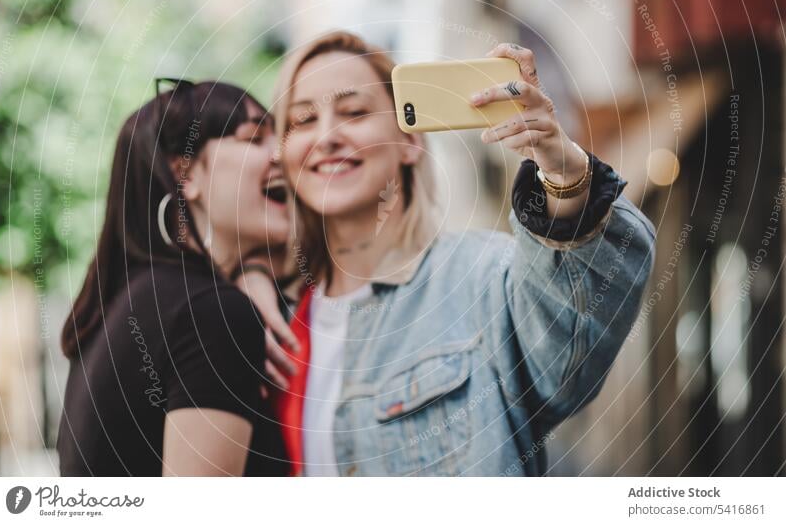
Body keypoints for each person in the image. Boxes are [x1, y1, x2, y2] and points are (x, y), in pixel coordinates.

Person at [241, 31, 656, 476]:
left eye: (354, 112)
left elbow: (569, 356)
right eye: (303, 120)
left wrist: (561, 171)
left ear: (410, 140)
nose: (326, 137)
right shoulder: (270, 316)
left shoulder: (480, 277)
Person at [57, 80, 290, 476]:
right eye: (254, 139)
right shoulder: (210, 315)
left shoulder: (122, 308)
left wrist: (251, 275)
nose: (282, 155)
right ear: (185, 174)